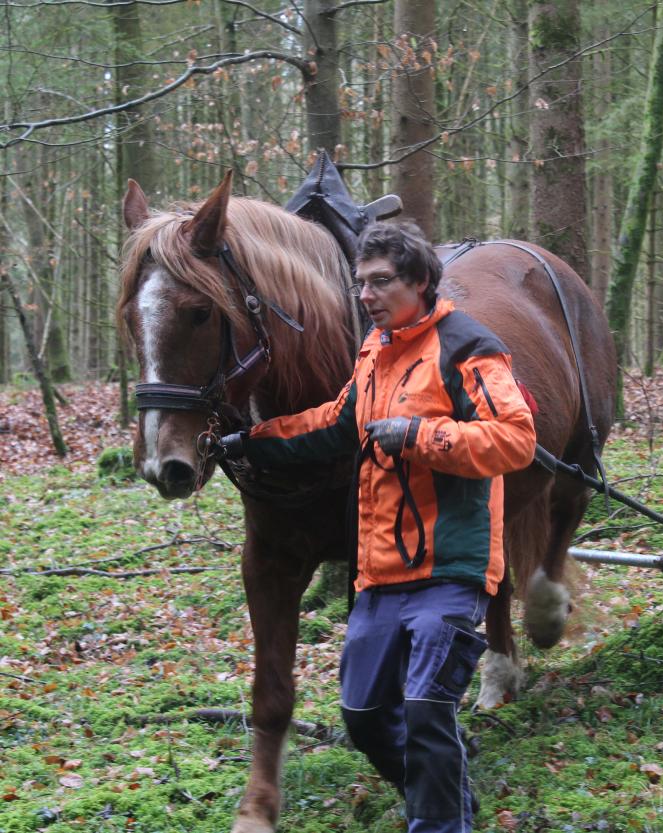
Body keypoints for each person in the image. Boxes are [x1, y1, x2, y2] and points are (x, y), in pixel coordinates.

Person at [220, 221, 537, 832]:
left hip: (451, 565)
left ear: (419, 281)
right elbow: (336, 421)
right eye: (361, 282)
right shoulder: (374, 352)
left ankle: (440, 823)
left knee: (424, 708)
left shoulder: (469, 346)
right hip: (380, 572)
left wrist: (422, 436)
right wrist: (250, 442)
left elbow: (515, 439)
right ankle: (448, 795)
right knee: (363, 715)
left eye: (381, 281)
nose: (366, 294)